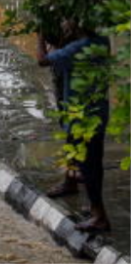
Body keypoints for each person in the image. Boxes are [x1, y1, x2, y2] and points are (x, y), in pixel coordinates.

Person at [36, 21, 112, 233]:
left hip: (82, 117)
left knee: (89, 166)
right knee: (90, 158)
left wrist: (40, 34)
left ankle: (100, 216)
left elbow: (42, 60)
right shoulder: (101, 40)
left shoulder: (78, 47)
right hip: (97, 112)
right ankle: (72, 184)